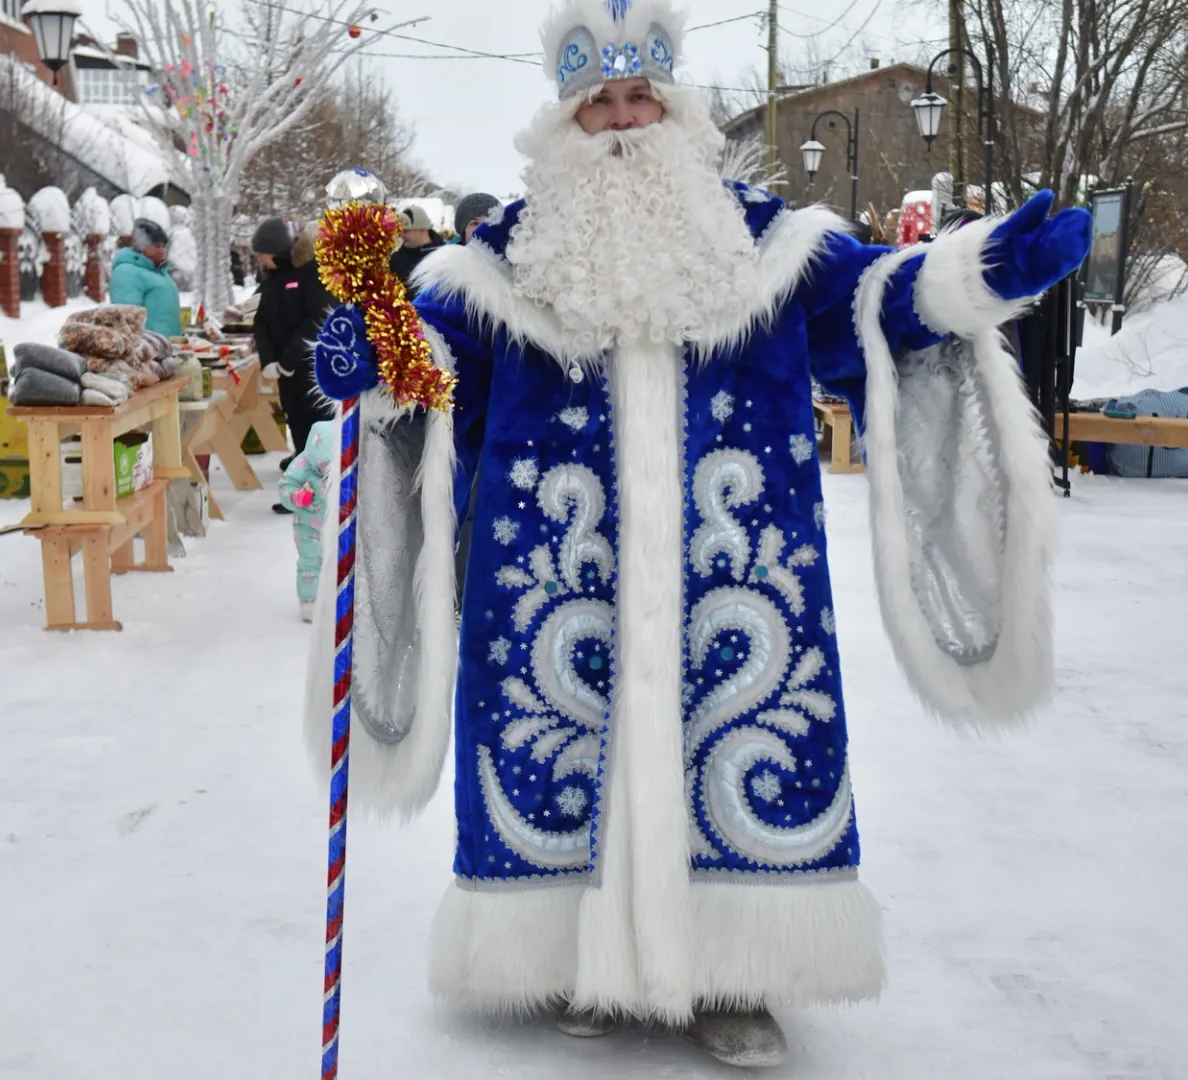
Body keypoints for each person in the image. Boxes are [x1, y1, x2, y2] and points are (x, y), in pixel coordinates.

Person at [304, 0, 1090, 1068]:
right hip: (554, 582)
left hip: (736, 572)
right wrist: (377, 355)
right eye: (599, 104)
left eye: (642, 98)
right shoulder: (497, 266)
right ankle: (574, 958)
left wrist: (979, 273)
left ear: (678, 112)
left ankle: (736, 973)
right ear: (561, 120)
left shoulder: (768, 249)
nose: (623, 123)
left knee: (740, 742)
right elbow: (432, 373)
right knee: (561, 751)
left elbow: (879, 304)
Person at [249, 216, 337, 513]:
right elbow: (261, 321)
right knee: (298, 428)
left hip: (310, 371)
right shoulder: (271, 278)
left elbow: (318, 319)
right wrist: (268, 360)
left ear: (276, 249)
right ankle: (305, 492)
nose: (259, 258)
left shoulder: (310, 273)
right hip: (286, 374)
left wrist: (287, 360)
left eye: (262, 252)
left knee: (314, 431)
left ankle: (320, 494)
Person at [277, 421, 336, 623]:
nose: (324, 472)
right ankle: (309, 601)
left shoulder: (349, 461)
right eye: (321, 467)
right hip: (308, 525)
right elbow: (285, 486)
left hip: (337, 525)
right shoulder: (302, 464)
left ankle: (337, 597)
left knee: (338, 561)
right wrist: (295, 497)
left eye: (329, 467)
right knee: (310, 562)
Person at [109, 219, 181, 339]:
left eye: (163, 246)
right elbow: (126, 319)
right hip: (147, 349)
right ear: (142, 245)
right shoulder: (127, 272)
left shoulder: (159, 271)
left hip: (165, 346)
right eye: (157, 246)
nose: (162, 251)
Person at [390, 204, 441, 295]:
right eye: (400, 231)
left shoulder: (444, 255)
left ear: (422, 229)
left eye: (406, 231)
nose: (401, 235)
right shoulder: (396, 259)